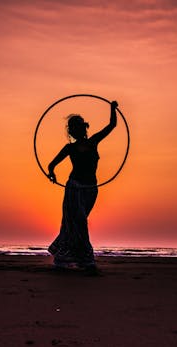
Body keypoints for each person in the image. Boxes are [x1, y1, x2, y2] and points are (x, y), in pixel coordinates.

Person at [47, 100, 118, 270]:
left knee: (79, 221)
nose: (76, 129)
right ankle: (84, 259)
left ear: (84, 128)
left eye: (78, 126)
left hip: (91, 189)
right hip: (74, 187)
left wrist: (112, 108)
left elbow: (112, 125)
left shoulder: (94, 141)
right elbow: (51, 164)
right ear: (71, 131)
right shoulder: (69, 148)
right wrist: (52, 174)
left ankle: (72, 257)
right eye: (73, 127)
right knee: (77, 220)